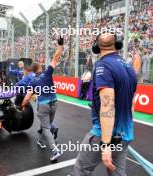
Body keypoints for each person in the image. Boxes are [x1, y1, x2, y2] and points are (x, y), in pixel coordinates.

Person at [74, 33, 137, 176]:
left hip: (103, 135)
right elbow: (131, 104)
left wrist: (106, 145)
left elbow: (108, 106)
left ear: (96, 47)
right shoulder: (129, 67)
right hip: (125, 134)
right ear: (118, 45)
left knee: (81, 170)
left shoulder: (103, 66)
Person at [21, 36, 64, 162]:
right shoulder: (47, 73)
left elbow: (27, 97)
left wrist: (23, 105)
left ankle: (55, 150)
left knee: (45, 128)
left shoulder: (33, 80)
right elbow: (56, 58)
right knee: (47, 125)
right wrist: (60, 45)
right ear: (40, 67)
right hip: (54, 103)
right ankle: (41, 141)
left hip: (43, 105)